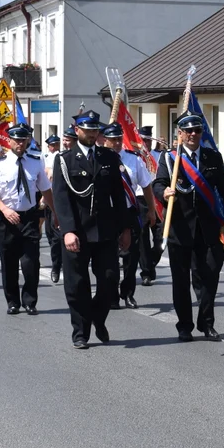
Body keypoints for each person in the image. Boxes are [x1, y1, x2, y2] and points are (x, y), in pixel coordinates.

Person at [153, 111, 224, 343]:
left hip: (208, 228)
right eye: (189, 131)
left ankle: (207, 322)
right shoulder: (169, 158)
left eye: (197, 130)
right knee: (181, 281)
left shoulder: (213, 157)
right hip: (180, 228)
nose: (193, 134)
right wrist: (164, 192)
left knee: (210, 275)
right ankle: (184, 325)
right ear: (180, 134)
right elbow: (158, 183)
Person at [51, 111, 133, 349]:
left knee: (109, 281)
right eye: (86, 130)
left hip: (105, 231)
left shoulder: (109, 157)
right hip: (77, 231)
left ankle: (98, 315)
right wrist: (67, 230)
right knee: (77, 286)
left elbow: (119, 196)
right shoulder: (64, 160)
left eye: (94, 130)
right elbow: (61, 198)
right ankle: (80, 332)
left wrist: (125, 228)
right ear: (77, 131)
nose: (90, 134)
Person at [0, 123, 55, 316]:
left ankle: (30, 301)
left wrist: (56, 213)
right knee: (8, 262)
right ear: (9, 141)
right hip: (7, 218)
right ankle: (13, 301)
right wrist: (5, 209)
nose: (20, 143)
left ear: (27, 141)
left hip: (29, 217)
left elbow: (45, 190)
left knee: (30, 262)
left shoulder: (36, 161)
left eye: (23, 140)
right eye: (16, 140)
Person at [100, 122, 157, 309]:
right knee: (110, 257)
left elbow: (146, 185)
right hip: (108, 214)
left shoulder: (133, 159)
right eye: (112, 140)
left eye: (119, 139)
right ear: (105, 140)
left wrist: (151, 209)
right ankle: (112, 295)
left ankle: (128, 293)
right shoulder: (99, 159)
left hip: (130, 212)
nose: (116, 143)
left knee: (131, 256)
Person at [138, 125, 165, 287]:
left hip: (157, 200)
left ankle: (151, 262)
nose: (146, 143)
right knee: (143, 240)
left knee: (161, 238)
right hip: (141, 200)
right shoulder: (135, 157)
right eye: (143, 140)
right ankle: (146, 272)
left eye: (148, 140)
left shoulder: (158, 156)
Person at [43, 133, 64, 284]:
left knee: (58, 237)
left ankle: (59, 265)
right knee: (51, 235)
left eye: (57, 144)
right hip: (49, 199)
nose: (55, 147)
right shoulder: (43, 158)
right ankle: (56, 263)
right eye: (53, 145)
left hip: (63, 202)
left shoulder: (64, 157)